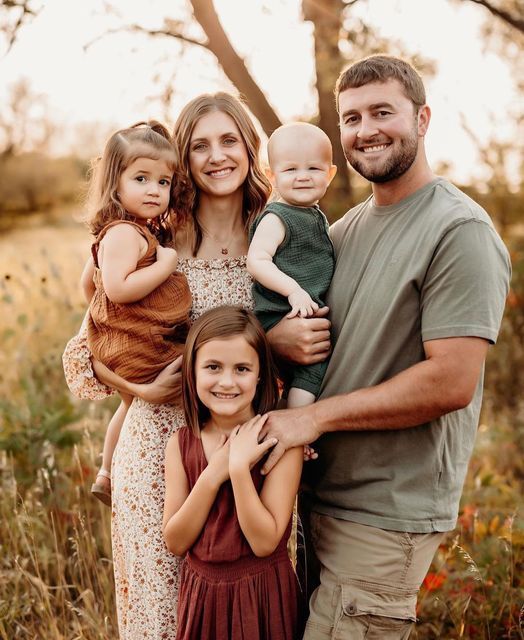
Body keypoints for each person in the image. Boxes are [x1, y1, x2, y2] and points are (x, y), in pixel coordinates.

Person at [260, 55, 511, 639]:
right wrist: (277, 340)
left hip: (384, 514)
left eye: (382, 112)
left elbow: (451, 381)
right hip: (311, 499)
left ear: (422, 119)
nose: (365, 129)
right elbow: (316, 340)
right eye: (351, 118)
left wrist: (312, 420)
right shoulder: (340, 230)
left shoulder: (458, 231)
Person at [62, 91, 287, 639]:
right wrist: (140, 388)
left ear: (248, 147)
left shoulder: (279, 236)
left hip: (248, 460)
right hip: (154, 449)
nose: (216, 157)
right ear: (181, 160)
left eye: (229, 141)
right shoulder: (150, 241)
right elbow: (87, 349)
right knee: (161, 619)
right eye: (199, 146)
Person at [163, 306, 304, 640]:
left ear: (259, 374)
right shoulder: (180, 444)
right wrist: (213, 475)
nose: (227, 381)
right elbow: (176, 540)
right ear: (192, 372)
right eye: (213, 367)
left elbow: (264, 541)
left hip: (261, 597)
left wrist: (239, 469)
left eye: (242, 368)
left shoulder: (281, 442)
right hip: (203, 599)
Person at [80, 121, 191, 506]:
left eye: (163, 182)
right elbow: (118, 288)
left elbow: (89, 284)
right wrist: (166, 264)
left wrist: (101, 311)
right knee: (198, 356)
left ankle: (106, 471)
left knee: (128, 405)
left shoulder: (124, 231)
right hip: (133, 348)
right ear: (116, 184)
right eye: (141, 178)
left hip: (123, 341)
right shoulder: (126, 233)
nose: (153, 190)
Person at [247, 122, 337, 409]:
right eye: (290, 170)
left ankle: (289, 416)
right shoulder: (277, 217)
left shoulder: (315, 216)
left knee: (311, 373)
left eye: (313, 169)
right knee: (312, 372)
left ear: (330, 174)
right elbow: (257, 261)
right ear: (271, 176)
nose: (302, 177)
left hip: (302, 315)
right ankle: (297, 427)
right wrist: (293, 291)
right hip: (278, 313)